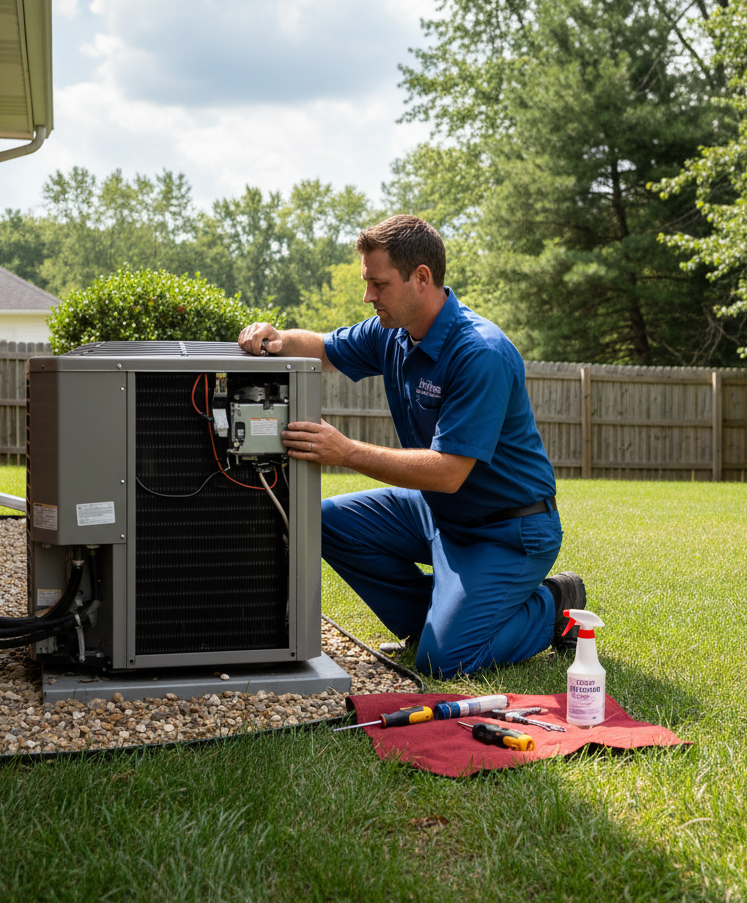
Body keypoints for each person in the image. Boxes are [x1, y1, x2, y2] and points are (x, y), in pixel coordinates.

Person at [238, 214, 585, 677]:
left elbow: (447, 471)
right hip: (439, 512)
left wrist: (345, 451)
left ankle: (554, 603)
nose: (368, 296)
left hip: (507, 530)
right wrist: (277, 339)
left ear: (421, 278)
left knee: (446, 661)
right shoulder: (392, 333)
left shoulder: (479, 352)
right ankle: (438, 620)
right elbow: (320, 348)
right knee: (322, 522)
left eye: (378, 284)